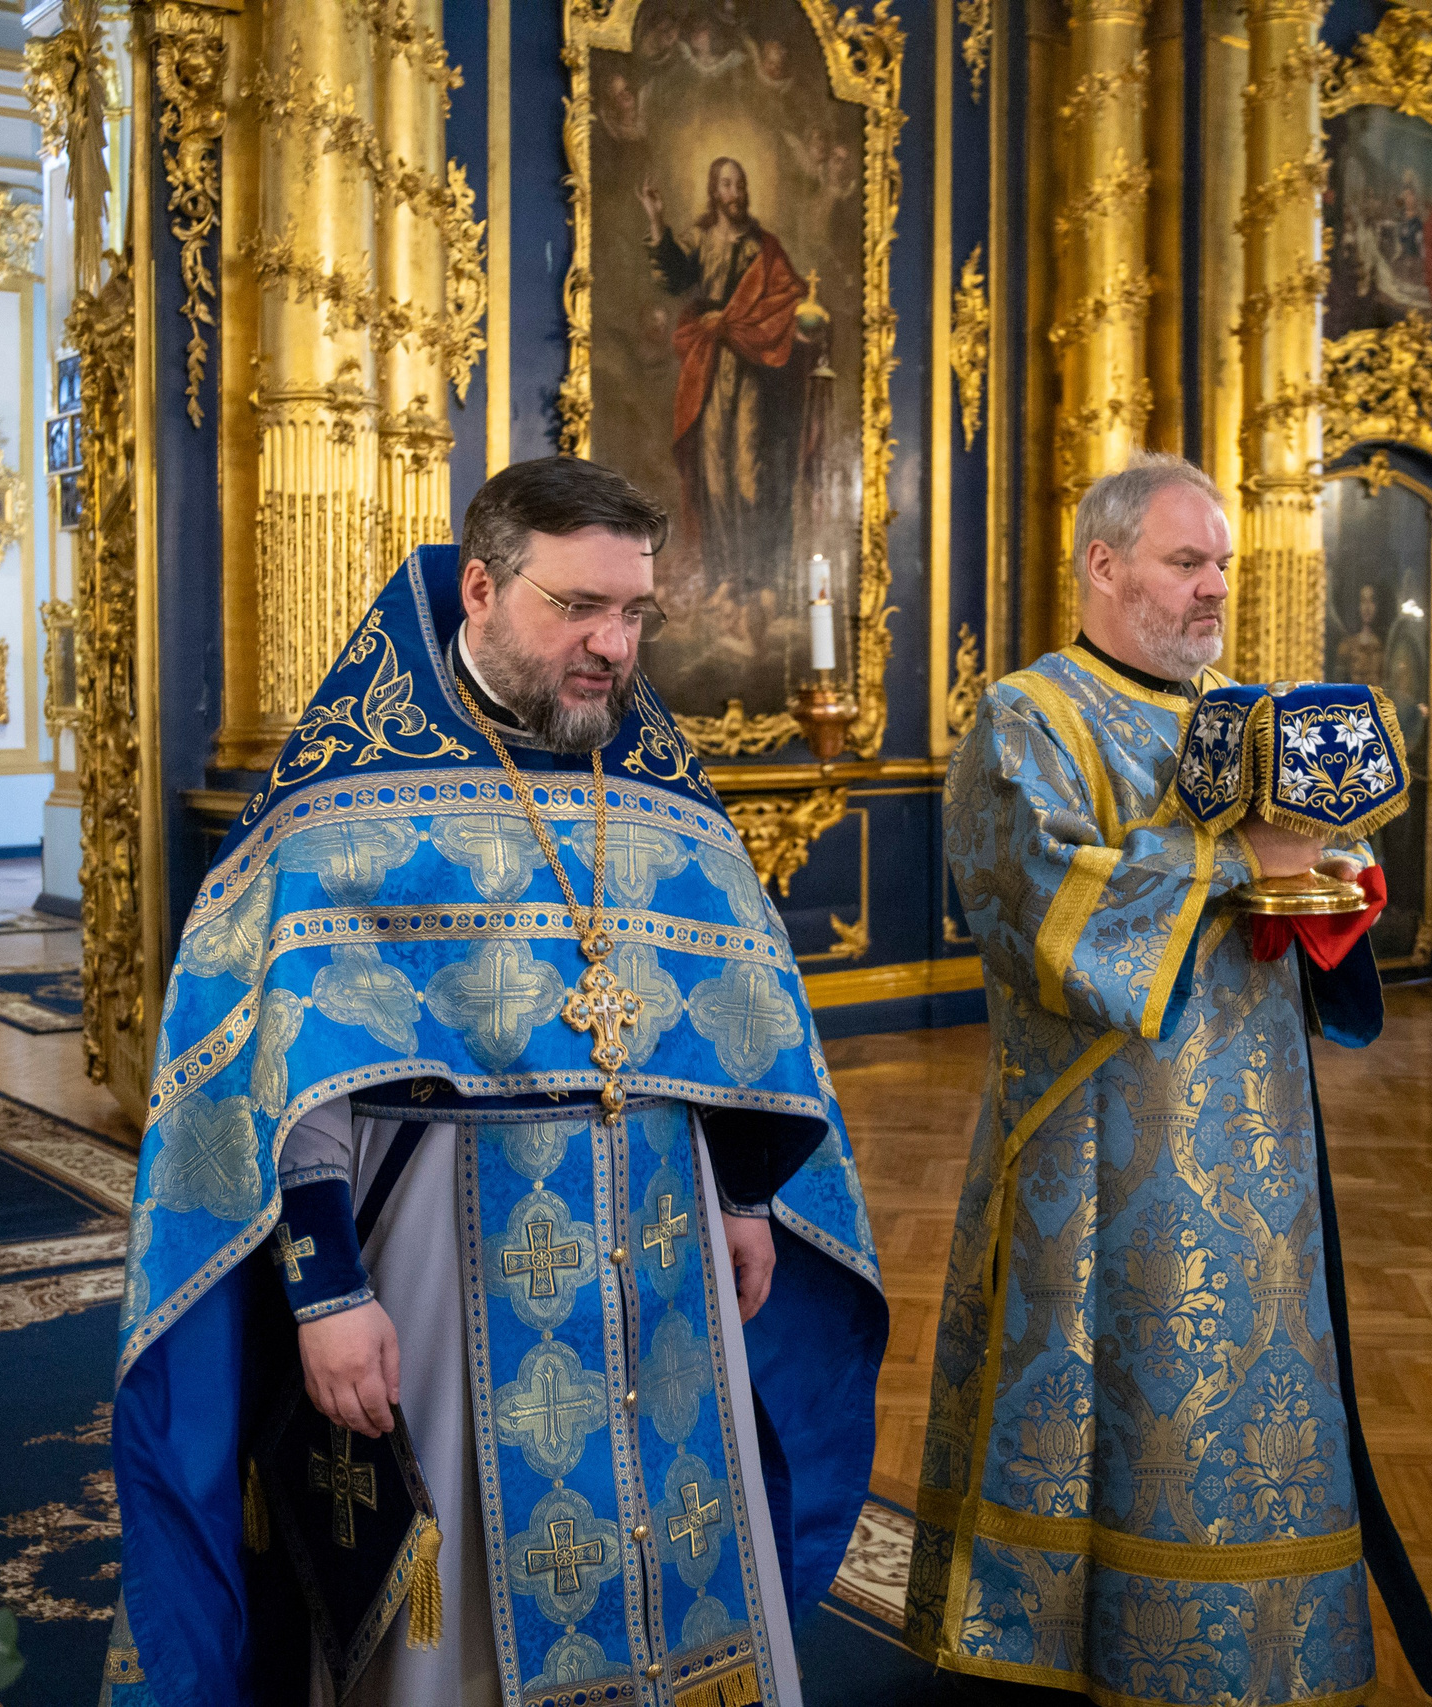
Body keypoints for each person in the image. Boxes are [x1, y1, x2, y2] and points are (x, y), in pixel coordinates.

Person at [104, 457, 886, 1706]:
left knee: (678, 1545)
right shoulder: (346, 791)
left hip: (664, 1242)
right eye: (579, 607)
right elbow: (287, 1075)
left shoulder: (651, 777)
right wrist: (323, 1292)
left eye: (634, 614)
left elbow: (731, 1003)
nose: (613, 647)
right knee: (465, 1601)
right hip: (448, 1250)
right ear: (480, 586)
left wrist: (743, 1190)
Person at [904, 454, 1432, 1706]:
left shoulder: (1239, 716)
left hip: (1256, 1133)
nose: (1214, 588)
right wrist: (1229, 857)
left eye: (1222, 564)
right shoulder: (1025, 717)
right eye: (1186, 561)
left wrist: (1332, 875)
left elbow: (1312, 873)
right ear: (1104, 567)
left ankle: (1254, 1643)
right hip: (1096, 1136)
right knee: (1113, 1390)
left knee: (1251, 1385)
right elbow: (1031, 906)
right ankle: (1064, 1646)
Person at [637, 157, 822, 584]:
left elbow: (787, 298)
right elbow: (674, 278)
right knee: (713, 476)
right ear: (713, 191)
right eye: (726, 185)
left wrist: (802, 323)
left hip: (753, 365)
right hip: (710, 366)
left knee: (746, 470)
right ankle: (722, 580)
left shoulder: (764, 247)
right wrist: (656, 218)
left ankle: (753, 581)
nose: (734, 194)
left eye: (739, 185)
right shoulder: (700, 238)